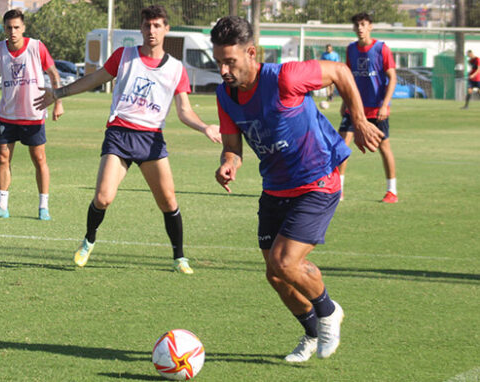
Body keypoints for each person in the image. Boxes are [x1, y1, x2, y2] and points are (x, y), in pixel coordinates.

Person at [211, 16, 383, 362]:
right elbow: (233, 147)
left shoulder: (286, 77)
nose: (224, 70)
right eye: (219, 62)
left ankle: (328, 310)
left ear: (251, 53)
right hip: (275, 187)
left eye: (230, 61)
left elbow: (340, 72)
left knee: (285, 261)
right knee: (275, 276)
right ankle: (310, 332)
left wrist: (360, 120)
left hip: (317, 180)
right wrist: (229, 162)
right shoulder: (225, 94)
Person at [34, 5, 221, 274]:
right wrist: (59, 92)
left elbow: (184, 111)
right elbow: (94, 79)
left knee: (168, 202)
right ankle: (88, 241)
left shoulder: (176, 69)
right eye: (147, 25)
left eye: (157, 25)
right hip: (120, 135)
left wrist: (204, 128)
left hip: (151, 140)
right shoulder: (124, 56)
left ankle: (179, 257)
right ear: (141, 28)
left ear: (167, 29)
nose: (152, 31)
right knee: (103, 197)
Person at [0, 9, 64, 221]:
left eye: (17, 27)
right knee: (2, 157)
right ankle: (1, 206)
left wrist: (58, 102)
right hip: (7, 114)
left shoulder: (36, 47)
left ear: (23, 28)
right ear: (5, 29)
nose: (13, 31)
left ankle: (43, 207)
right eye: (9, 27)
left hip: (33, 114)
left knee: (39, 158)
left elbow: (54, 74)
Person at [339, 12, 398, 203]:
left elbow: (393, 77)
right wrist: (344, 102)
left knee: (384, 148)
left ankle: (392, 191)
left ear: (371, 26)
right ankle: (338, 190)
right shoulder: (351, 49)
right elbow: (348, 79)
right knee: (341, 146)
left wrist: (385, 104)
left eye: (364, 24)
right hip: (355, 109)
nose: (360, 28)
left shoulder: (382, 49)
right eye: (357, 25)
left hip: (376, 109)